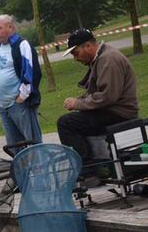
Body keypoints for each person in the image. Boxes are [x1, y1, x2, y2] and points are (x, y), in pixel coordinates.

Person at [57, 28, 138, 170]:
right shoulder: (101, 57)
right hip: (112, 111)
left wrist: (78, 103)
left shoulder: (108, 59)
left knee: (66, 123)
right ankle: (98, 166)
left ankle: (88, 171)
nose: (75, 58)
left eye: (76, 53)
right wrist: (80, 101)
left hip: (119, 113)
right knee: (75, 120)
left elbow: (107, 96)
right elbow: (98, 93)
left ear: (88, 46)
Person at [0, 14, 42, 150]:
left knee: (31, 141)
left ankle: (38, 168)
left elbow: (30, 70)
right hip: (2, 104)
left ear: (10, 27)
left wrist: (23, 95)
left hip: (19, 103)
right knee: (14, 145)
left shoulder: (21, 45)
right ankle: (22, 170)